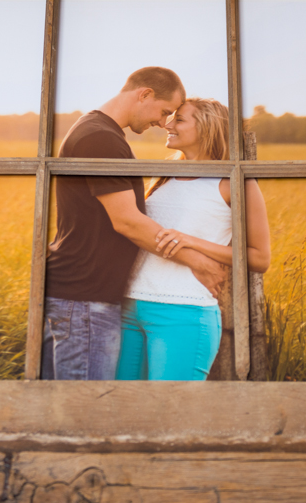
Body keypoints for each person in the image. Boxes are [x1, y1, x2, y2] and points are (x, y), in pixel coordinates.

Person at [42, 68, 231, 381]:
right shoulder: (101, 138)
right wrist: (196, 260)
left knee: (76, 407)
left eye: (173, 116)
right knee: (87, 411)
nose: (162, 122)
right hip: (85, 299)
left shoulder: (99, 132)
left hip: (83, 297)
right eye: (164, 111)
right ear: (144, 94)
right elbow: (128, 221)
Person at [116, 98, 271, 381]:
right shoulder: (164, 178)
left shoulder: (235, 182)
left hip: (183, 313)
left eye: (179, 119)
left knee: (172, 416)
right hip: (130, 308)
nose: (168, 124)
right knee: (124, 413)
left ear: (208, 128)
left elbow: (260, 257)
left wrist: (192, 242)